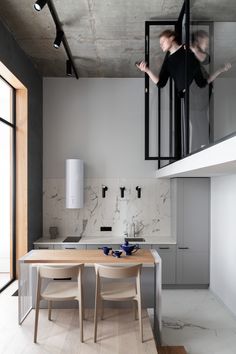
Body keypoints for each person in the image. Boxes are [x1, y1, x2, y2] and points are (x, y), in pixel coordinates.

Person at [136, 29, 231, 155]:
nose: (161, 45)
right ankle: (197, 153)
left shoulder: (186, 49)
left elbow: (206, 60)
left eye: (163, 41)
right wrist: (147, 71)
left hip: (198, 90)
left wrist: (195, 50)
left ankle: (200, 152)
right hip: (188, 94)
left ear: (171, 38)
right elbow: (161, 83)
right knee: (196, 123)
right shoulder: (168, 61)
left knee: (200, 123)